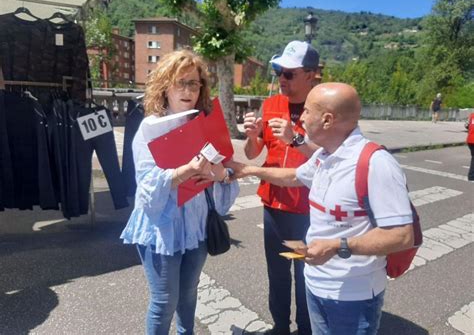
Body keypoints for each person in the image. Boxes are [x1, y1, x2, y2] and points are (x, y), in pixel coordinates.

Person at [227, 82, 415, 334]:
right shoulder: (325, 156)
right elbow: (294, 176)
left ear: (327, 120)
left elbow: (401, 235)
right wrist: (247, 170)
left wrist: (338, 246)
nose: (300, 118)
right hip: (316, 286)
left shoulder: (376, 163)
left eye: (306, 111)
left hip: (352, 297)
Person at [120, 50, 239, 334]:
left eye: (194, 84)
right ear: (165, 86)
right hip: (162, 227)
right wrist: (184, 171)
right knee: (164, 301)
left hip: (196, 225)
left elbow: (224, 172)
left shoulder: (204, 123)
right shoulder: (150, 128)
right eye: (180, 82)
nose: (187, 90)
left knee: (189, 296)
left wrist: (222, 174)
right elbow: (146, 187)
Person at [243, 40, 320, 335]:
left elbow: (336, 157)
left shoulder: (325, 106)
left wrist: (296, 140)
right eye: (278, 71)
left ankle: (305, 328)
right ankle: (280, 326)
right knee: (276, 273)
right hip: (273, 203)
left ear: (311, 74)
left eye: (289, 73)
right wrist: (251, 136)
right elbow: (253, 153)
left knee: (305, 275)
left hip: (308, 208)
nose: (281, 79)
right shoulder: (271, 104)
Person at [466, 112, 474, 181]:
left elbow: (466, 125)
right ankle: (471, 176)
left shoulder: (471, 115)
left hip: (469, 140)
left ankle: (471, 176)